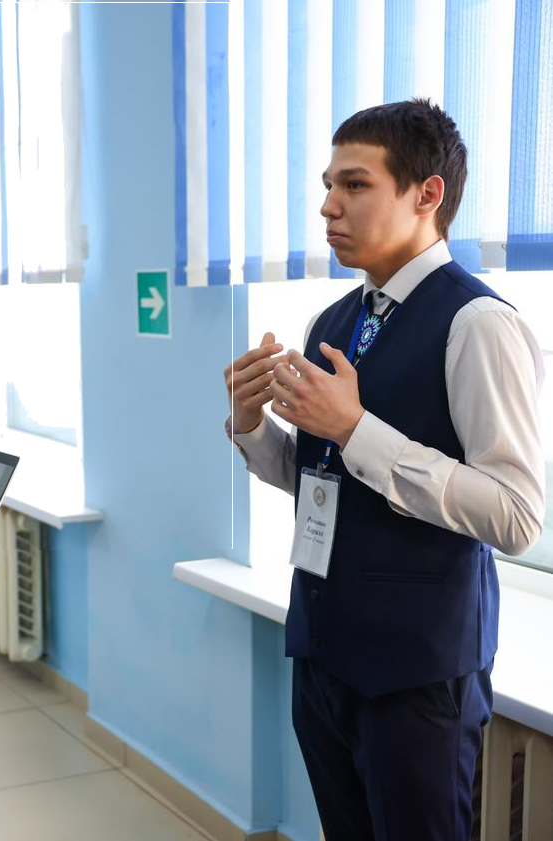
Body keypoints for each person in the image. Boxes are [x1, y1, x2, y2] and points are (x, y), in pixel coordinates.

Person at [224, 99, 544, 840]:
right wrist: (251, 427)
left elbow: (516, 515)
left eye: (355, 185)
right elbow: (320, 478)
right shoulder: (334, 321)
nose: (328, 206)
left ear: (426, 194)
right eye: (328, 185)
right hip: (324, 650)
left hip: (416, 672)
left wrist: (356, 428)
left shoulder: (479, 324)